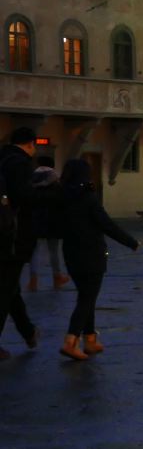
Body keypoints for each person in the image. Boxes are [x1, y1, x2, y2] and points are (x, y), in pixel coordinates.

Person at [55, 158, 141, 361]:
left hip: (71, 252)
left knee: (87, 296)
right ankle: (71, 340)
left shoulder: (62, 196)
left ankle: (90, 339)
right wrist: (131, 242)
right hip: (91, 253)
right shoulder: (88, 198)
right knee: (86, 298)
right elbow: (106, 224)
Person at [0, 127, 42, 358]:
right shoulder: (20, 164)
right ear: (30, 144)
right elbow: (25, 197)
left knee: (10, 286)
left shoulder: (3, 159)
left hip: (4, 232)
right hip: (13, 235)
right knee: (6, 287)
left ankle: (28, 332)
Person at [25, 166, 70, 292]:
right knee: (54, 252)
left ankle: (33, 280)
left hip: (36, 223)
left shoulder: (32, 189)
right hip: (53, 224)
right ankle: (57, 277)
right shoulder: (57, 189)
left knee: (35, 251)